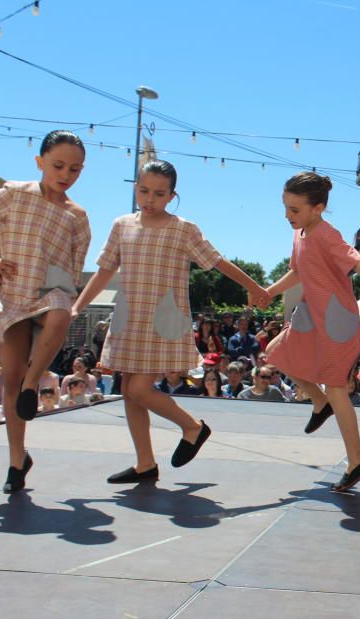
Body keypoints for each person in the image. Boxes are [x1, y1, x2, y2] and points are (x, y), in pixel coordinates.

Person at [73, 160, 268, 484]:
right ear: (135, 188)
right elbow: (106, 269)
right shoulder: (122, 224)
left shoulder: (183, 229)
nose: (150, 199)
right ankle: (145, 463)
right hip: (129, 318)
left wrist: (252, 285)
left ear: (172, 196)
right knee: (129, 391)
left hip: (162, 318)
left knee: (138, 388)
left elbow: (217, 260)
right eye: (144, 190)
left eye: (159, 193)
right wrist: (78, 305)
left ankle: (193, 427)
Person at [263, 172, 360, 492]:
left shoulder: (326, 234)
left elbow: (358, 263)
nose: (286, 216)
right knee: (276, 353)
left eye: (294, 209)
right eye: (285, 208)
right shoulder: (301, 233)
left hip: (337, 319)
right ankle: (320, 403)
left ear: (317, 208)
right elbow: (296, 271)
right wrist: (269, 291)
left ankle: (356, 461)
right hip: (310, 314)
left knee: (337, 388)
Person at [0, 130, 92, 492]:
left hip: (50, 295)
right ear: (40, 162)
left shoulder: (78, 216)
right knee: (10, 376)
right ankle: (18, 461)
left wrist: (62, 292)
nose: (66, 174)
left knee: (64, 310)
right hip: (13, 297)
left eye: (75, 169)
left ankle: (35, 386)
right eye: (58, 165)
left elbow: (74, 270)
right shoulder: (15, 193)